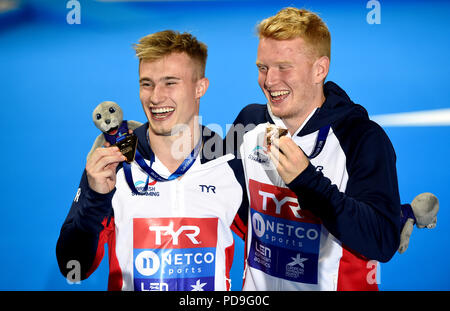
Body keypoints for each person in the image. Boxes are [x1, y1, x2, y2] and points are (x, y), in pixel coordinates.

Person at [227, 7, 401, 290]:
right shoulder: (250, 122)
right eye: (263, 67)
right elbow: (214, 190)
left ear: (319, 69)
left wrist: (308, 182)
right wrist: (145, 142)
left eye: (284, 67)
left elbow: (381, 242)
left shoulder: (361, 138)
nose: (269, 81)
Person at [56, 30, 245, 291]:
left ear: (200, 87)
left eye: (170, 83)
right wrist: (95, 200)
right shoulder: (116, 162)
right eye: (147, 83)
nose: (155, 97)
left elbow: (271, 248)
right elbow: (72, 268)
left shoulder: (227, 163)